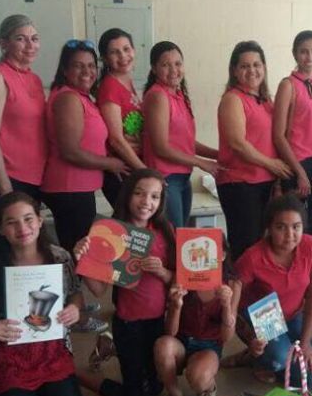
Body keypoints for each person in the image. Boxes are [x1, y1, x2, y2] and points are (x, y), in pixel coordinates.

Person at [0, 192, 85, 396]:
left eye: (28, 219)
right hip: (8, 356)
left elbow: (75, 293)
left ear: (39, 220)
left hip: (51, 350)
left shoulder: (60, 257)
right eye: (11, 222)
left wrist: (75, 309)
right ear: (0, 229)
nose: (22, 228)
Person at [74, 169, 174, 396]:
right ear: (127, 195)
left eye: (154, 196)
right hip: (128, 323)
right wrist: (82, 259)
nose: (146, 202)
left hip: (159, 320)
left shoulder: (166, 230)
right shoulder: (111, 233)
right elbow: (98, 290)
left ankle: (109, 344)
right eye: (139, 193)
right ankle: (75, 375)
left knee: (156, 388)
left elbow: (177, 279)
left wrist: (161, 271)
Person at [231, 194, 312, 387]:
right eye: (281, 227)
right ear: (269, 228)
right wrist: (250, 337)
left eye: (296, 227)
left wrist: (306, 343)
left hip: (295, 313)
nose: (290, 235)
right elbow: (233, 300)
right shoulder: (253, 257)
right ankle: (257, 358)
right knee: (280, 358)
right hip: (265, 313)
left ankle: (263, 356)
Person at [40, 39, 126, 252]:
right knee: (78, 254)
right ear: (65, 70)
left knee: (82, 253)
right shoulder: (68, 98)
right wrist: (110, 163)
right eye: (78, 66)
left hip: (80, 188)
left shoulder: (84, 98)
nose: (87, 71)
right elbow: (70, 151)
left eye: (91, 66)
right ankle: (76, 287)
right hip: (69, 189)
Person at [0, 15, 48, 244]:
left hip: (31, 177)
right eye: (21, 39)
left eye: (34, 39)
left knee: (29, 246)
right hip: (4, 175)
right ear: (3, 43)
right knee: (8, 246)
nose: (30, 45)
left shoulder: (34, 79)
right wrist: (5, 188)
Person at [217, 40, 293, 259]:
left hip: (264, 183)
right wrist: (272, 165)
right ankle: (240, 292)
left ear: (264, 67)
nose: (252, 70)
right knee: (246, 246)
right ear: (234, 71)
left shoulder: (266, 100)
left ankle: (259, 293)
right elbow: (237, 143)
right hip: (241, 184)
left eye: (256, 64)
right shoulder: (233, 99)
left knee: (262, 244)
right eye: (245, 66)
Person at [142, 41, 219, 228]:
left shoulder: (178, 95)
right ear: (154, 68)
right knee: (173, 240)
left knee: (182, 238)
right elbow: (161, 147)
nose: (173, 70)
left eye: (178, 63)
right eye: (166, 65)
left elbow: (186, 143)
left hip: (182, 178)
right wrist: (202, 163)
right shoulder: (157, 96)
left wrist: (219, 155)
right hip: (165, 179)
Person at [154, 277, 238, 396]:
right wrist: (176, 306)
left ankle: (209, 386)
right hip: (181, 342)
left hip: (209, 346)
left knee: (199, 379)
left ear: (223, 255)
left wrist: (226, 306)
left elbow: (227, 337)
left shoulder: (230, 284)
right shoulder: (182, 278)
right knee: (163, 345)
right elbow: (170, 332)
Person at [272, 30, 312, 242]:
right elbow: (278, 136)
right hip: (296, 164)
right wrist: (300, 172)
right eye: (304, 52)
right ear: (295, 54)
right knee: (298, 230)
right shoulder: (287, 85)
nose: (310, 57)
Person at [96, 28, 147, 207]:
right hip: (123, 171)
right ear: (104, 58)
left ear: (134, 50)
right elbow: (116, 139)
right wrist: (145, 172)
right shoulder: (110, 86)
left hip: (134, 167)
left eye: (126, 49)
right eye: (114, 52)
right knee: (130, 232)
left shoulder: (127, 81)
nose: (123, 56)